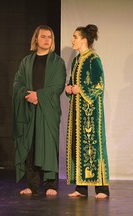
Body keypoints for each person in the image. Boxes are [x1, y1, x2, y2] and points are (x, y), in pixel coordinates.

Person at [12, 25, 66, 196]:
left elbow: (57, 86)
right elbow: (17, 83)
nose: (46, 40)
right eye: (43, 36)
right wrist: (29, 96)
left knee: (49, 146)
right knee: (31, 146)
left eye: (49, 37)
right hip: (29, 109)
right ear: (36, 39)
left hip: (47, 111)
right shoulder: (27, 61)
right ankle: (32, 185)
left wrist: (39, 96)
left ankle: (50, 185)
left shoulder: (58, 62)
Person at [65, 24, 110, 199]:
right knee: (78, 147)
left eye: (75, 37)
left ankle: (102, 189)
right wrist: (70, 89)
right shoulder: (76, 60)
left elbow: (99, 86)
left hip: (91, 113)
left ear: (84, 39)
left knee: (94, 148)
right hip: (77, 112)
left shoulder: (93, 59)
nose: (72, 40)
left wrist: (80, 90)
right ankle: (81, 188)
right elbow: (73, 81)